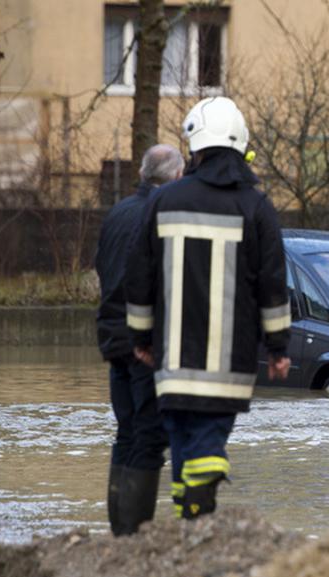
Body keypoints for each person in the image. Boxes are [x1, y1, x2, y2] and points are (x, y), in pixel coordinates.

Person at [125, 97, 290, 520]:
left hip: (172, 360)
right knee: (205, 443)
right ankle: (200, 501)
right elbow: (273, 284)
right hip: (230, 364)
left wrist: (140, 339)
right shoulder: (257, 207)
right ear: (240, 145)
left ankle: (193, 513)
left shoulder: (163, 202)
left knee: (181, 436)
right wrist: (278, 348)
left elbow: (139, 278)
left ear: (195, 144)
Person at [94, 144, 184, 535]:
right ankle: (133, 534)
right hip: (142, 341)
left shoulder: (118, 211)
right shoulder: (159, 215)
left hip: (113, 336)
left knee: (127, 431)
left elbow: (103, 267)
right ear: (175, 177)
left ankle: (120, 528)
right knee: (149, 435)